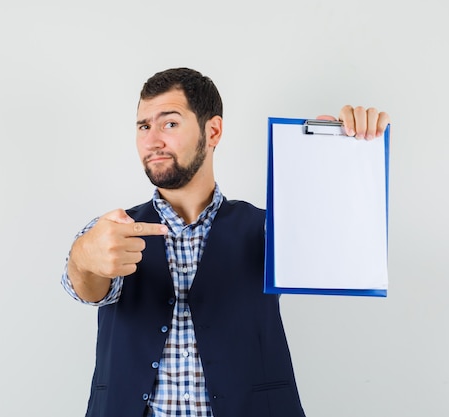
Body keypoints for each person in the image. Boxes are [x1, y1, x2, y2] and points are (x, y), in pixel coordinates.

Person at [61, 67, 390, 417]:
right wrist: (82, 257)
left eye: (169, 124)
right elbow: (88, 287)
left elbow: (345, 249)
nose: (152, 140)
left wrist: (335, 155)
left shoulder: (268, 229)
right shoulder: (114, 230)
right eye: (144, 126)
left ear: (213, 130)